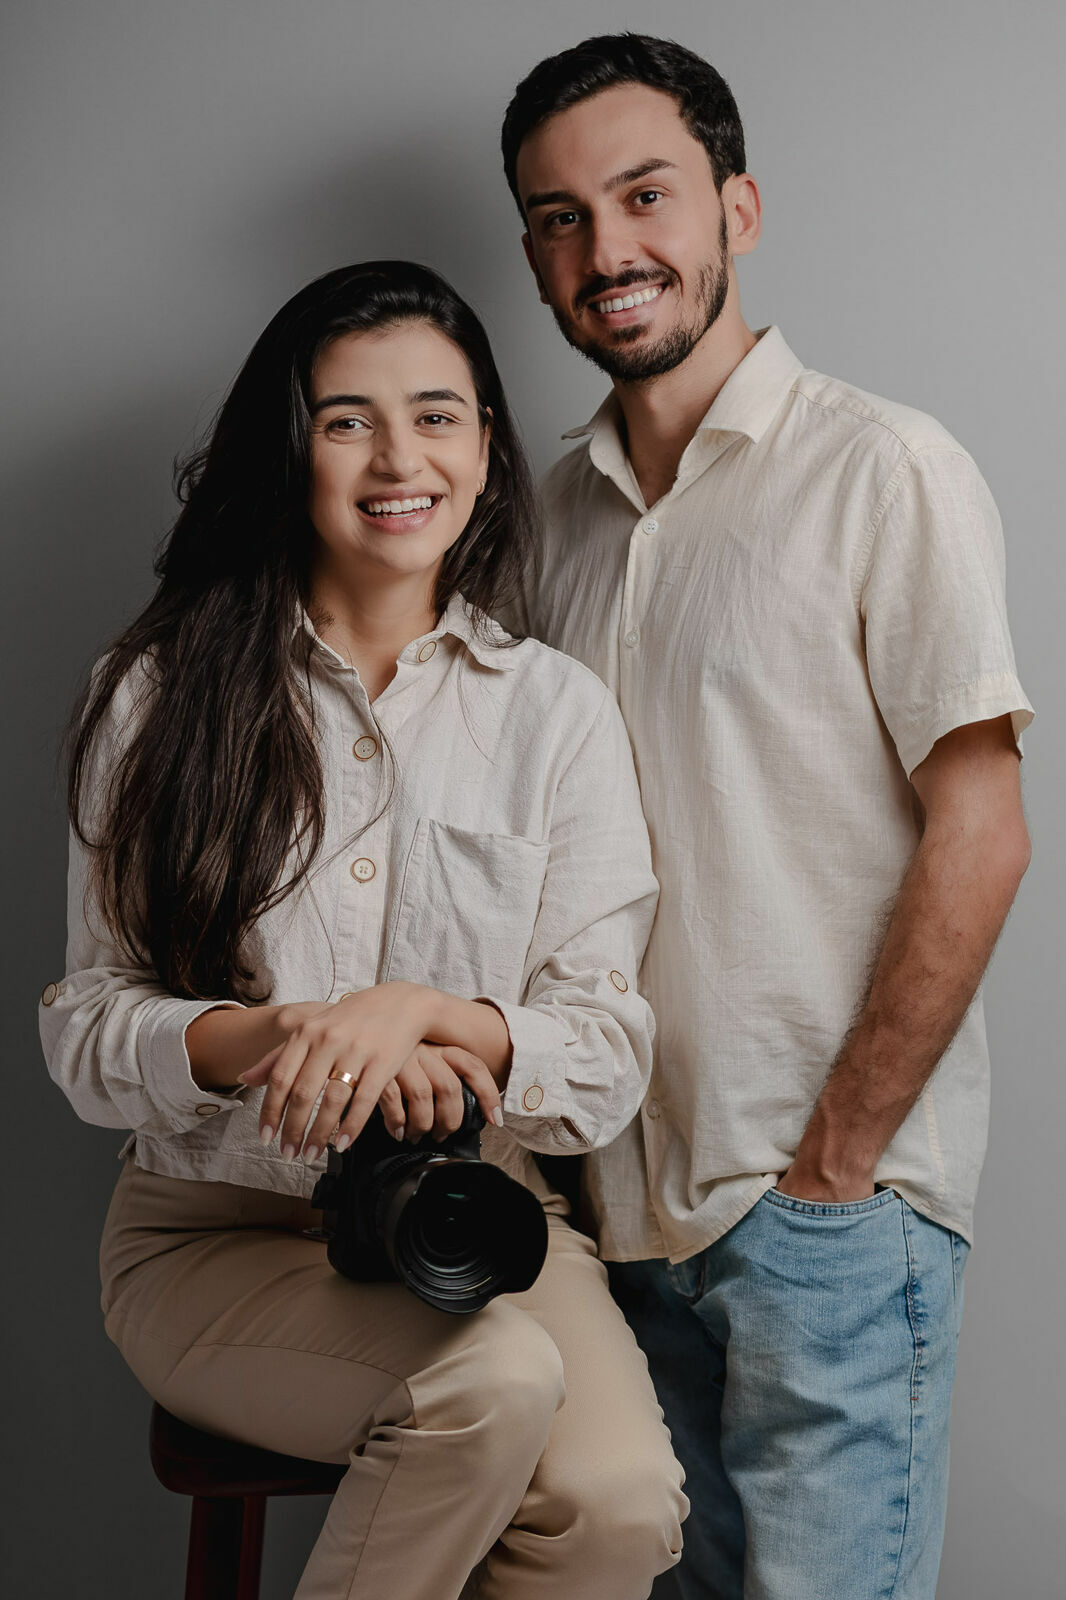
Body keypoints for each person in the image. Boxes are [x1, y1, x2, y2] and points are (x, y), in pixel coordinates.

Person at [39, 259, 687, 1600]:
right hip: (213, 1232)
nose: (400, 457)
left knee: (617, 1508)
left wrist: (439, 1020)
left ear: (487, 446)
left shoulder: (552, 714)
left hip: (473, 1211)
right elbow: (86, 1028)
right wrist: (268, 1035)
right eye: (348, 420)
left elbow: (608, 1047)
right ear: (293, 449)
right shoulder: (156, 693)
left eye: (438, 414)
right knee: (487, 1389)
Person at [500, 33, 1033, 1600]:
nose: (608, 252)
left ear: (735, 208)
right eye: (558, 219)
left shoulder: (885, 470)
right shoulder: (540, 530)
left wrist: (834, 1165)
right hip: (606, 1229)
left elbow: (981, 830)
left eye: (643, 195)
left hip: (819, 1222)